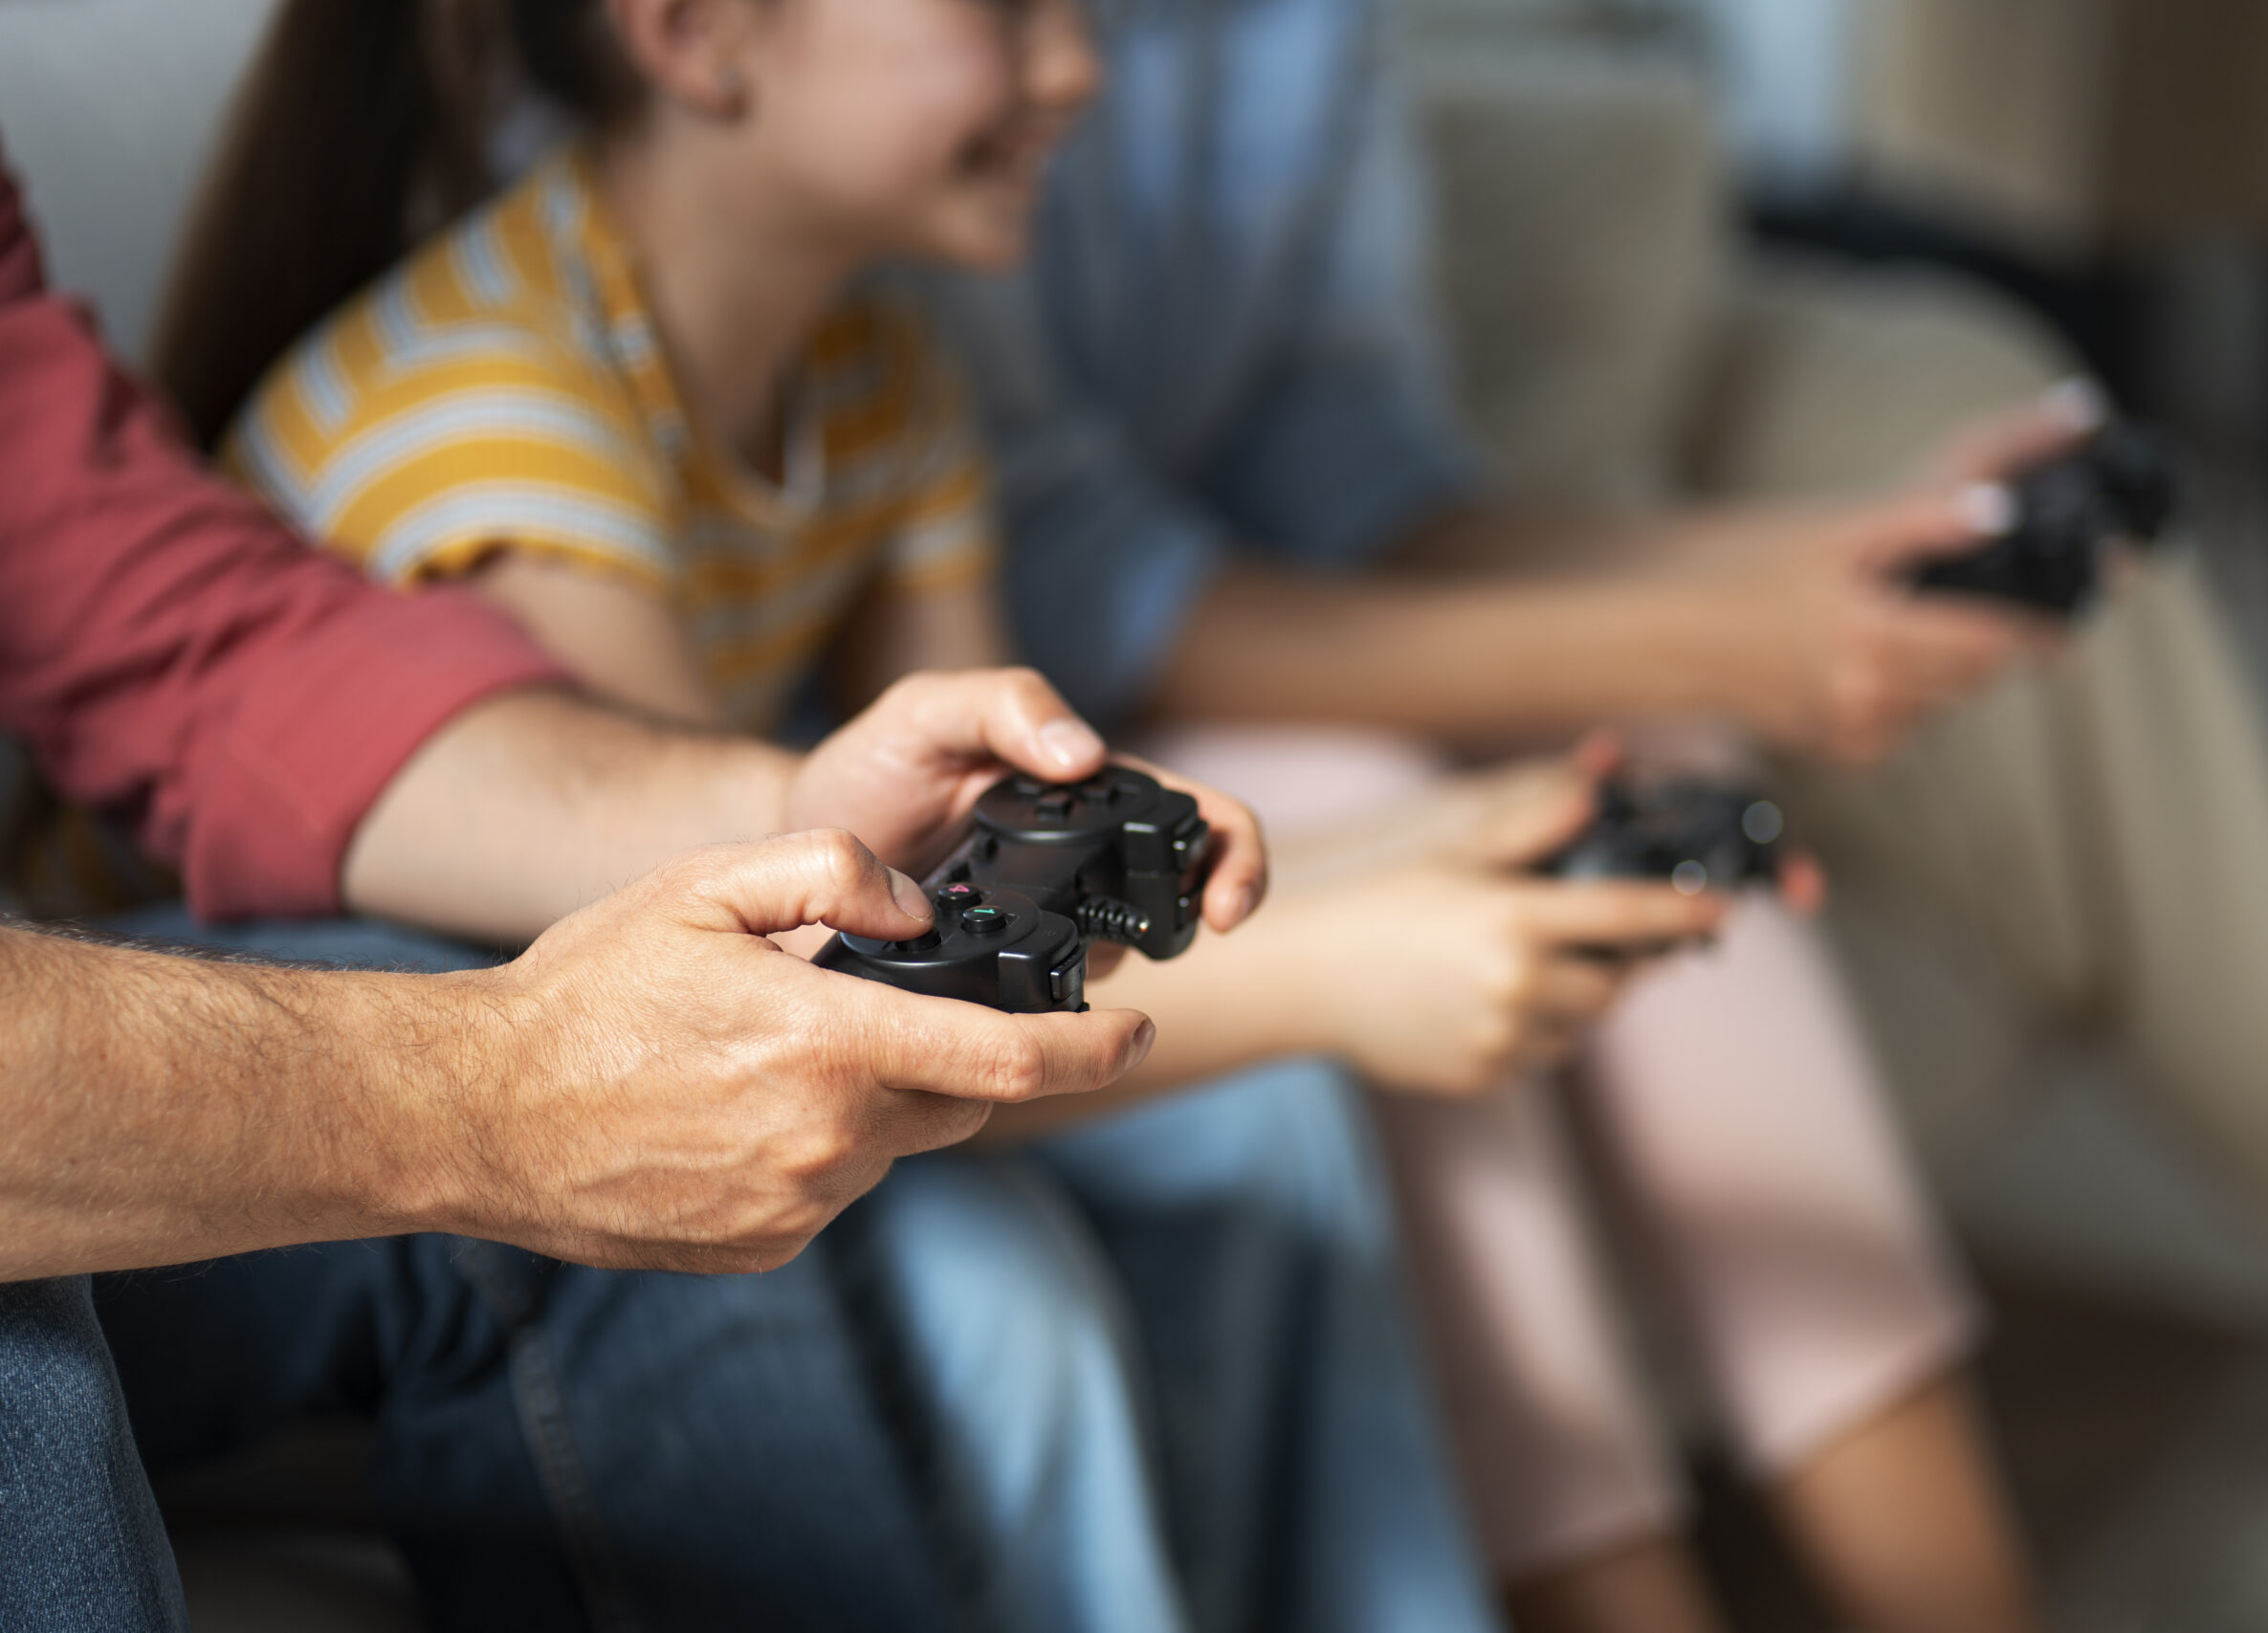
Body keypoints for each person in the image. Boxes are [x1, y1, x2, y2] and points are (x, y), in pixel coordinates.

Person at [111, 1, 1505, 1627]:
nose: (1078, 70)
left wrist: (1445, 849)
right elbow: (768, 1007)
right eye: (1004, 14)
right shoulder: (502, 432)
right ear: (700, 37)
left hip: (686, 990)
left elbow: (982, 868)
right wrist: (1345, 976)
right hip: (409, 1073)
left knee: (1266, 1130)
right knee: (1001, 1298)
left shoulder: (880, 377)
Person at [915, 0, 2084, 1627]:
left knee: (1638, 763)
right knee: (1371, 807)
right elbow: (1072, 580)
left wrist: (1794, 575)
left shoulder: (1298, 39)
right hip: (1063, 709)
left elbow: (1364, 474)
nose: (1076, 71)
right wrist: (1717, 636)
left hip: (1184, 643)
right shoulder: (914, 137)